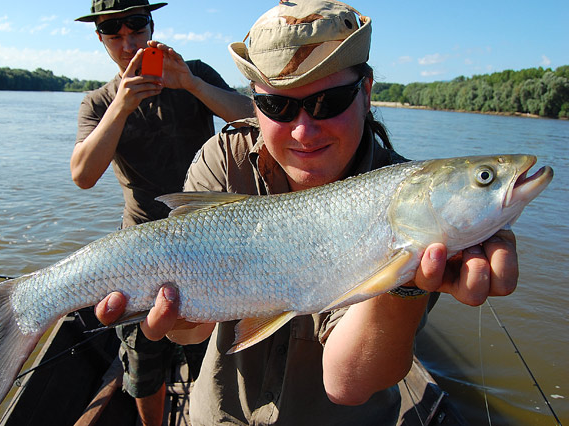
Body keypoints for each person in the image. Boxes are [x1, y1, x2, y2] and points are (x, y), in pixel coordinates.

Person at [95, 1, 519, 424]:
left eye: (327, 102)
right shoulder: (225, 158)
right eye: (277, 107)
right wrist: (174, 316)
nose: (303, 130)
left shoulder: (398, 198)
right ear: (254, 103)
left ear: (366, 91)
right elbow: (187, 332)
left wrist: (407, 284)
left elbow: (347, 383)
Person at [72, 1, 253, 424]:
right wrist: (122, 104)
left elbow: (257, 121)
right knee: (143, 359)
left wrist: (190, 84)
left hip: (211, 242)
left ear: (151, 26)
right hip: (139, 250)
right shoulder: (99, 103)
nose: (127, 42)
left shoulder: (194, 74)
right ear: (100, 39)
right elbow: (82, 175)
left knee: (217, 346)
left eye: (136, 28)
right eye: (113, 34)